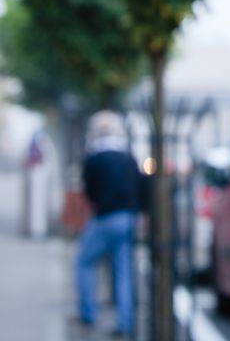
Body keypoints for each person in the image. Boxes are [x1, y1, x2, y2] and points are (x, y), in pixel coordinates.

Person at [76, 110, 143, 339]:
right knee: (123, 269)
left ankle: (88, 313)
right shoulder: (127, 157)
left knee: (84, 261)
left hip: (104, 217)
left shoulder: (93, 158)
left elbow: (88, 191)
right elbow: (141, 185)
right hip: (127, 217)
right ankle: (125, 321)